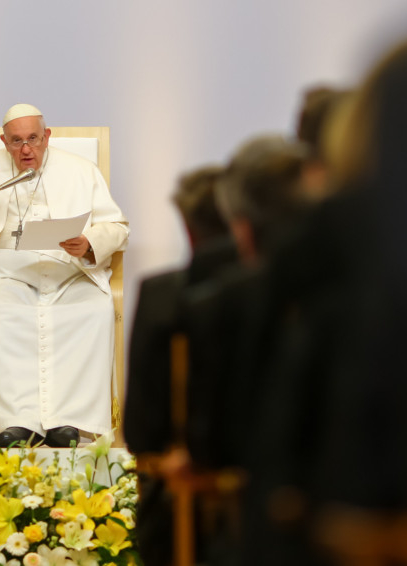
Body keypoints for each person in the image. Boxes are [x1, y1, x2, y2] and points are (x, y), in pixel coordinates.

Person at [0, 103, 129, 448]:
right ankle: (18, 421)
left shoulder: (82, 170)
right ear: (4, 141)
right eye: (16, 141)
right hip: (5, 272)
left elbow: (116, 226)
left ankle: (68, 421)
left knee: (93, 310)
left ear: (47, 136)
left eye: (33, 138)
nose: (26, 149)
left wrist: (89, 242)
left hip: (69, 269)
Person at [124, 164, 236, 566]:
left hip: (178, 503)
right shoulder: (281, 288)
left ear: (188, 227)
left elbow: (140, 430)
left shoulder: (162, 296)